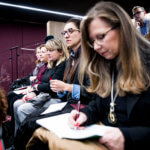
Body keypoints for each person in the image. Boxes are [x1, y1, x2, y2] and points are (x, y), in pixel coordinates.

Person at [27, 1, 150, 150]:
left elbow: (87, 92)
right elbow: (98, 103)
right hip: (102, 132)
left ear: (122, 29)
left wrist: (128, 136)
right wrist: (85, 114)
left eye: (101, 36)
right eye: (92, 41)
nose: (96, 46)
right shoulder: (106, 63)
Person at [14, 18, 97, 150]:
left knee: (29, 124)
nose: (66, 35)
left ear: (82, 33)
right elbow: (66, 89)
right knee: (28, 120)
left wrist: (67, 87)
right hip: (69, 103)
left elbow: (94, 92)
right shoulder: (72, 58)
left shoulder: (90, 57)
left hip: (80, 107)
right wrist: (61, 89)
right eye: (64, 33)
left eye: (70, 31)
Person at [13, 37, 69, 135]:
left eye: (51, 50)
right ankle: (17, 137)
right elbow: (42, 83)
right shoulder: (50, 64)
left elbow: (51, 87)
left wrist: (36, 88)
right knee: (16, 104)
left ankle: (29, 139)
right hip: (44, 95)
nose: (48, 53)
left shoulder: (63, 65)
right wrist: (34, 93)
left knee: (22, 109)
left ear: (61, 52)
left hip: (55, 98)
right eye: (47, 51)